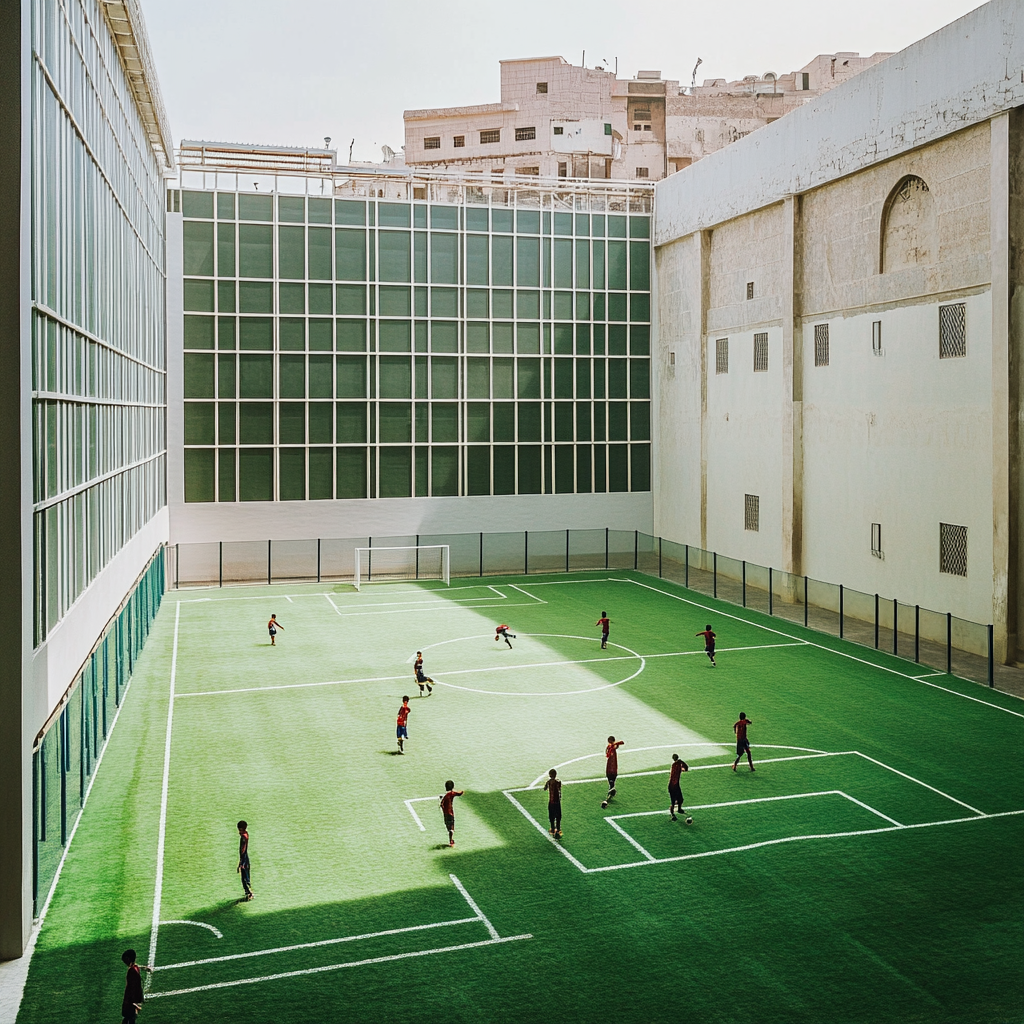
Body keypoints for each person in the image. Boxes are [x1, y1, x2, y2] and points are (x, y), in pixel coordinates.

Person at [120, 949, 151, 1024]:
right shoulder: (134, 967)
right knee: (130, 1017)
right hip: (130, 999)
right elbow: (137, 966)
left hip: (129, 1000)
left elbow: (134, 987)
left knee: (129, 1017)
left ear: (128, 959)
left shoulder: (132, 971)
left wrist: (134, 1003)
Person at [601, 736, 624, 808]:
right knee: (611, 779)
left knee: (611, 779)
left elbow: (621, 743)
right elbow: (608, 754)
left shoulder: (611, 746)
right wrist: (613, 745)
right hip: (612, 766)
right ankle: (611, 791)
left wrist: (614, 744)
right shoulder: (610, 747)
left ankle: (611, 791)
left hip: (612, 766)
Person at [439, 780, 464, 846]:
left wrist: (444, 810)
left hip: (445, 814)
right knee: (451, 826)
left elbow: (441, 805)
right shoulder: (451, 793)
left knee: (448, 825)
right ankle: (451, 840)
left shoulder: (445, 795)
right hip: (451, 813)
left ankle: (451, 838)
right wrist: (463, 791)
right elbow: (460, 793)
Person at [668, 753, 690, 821]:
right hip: (673, 786)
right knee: (674, 801)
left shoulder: (674, 765)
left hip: (674, 785)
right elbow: (686, 768)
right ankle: (672, 814)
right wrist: (681, 762)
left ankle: (678, 810)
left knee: (679, 800)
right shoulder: (677, 765)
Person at [237, 820, 253, 900]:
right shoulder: (246, 834)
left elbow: (242, 849)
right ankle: (248, 892)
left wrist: (241, 862)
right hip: (245, 858)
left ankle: (249, 893)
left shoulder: (243, 837)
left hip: (244, 859)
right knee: (246, 875)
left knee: (244, 877)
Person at [543, 768, 562, 837]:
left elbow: (545, 788)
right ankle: (558, 829)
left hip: (551, 802)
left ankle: (553, 829)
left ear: (549, 775)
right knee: (558, 816)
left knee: (551, 816)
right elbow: (559, 790)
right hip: (557, 802)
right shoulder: (558, 782)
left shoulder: (549, 782)